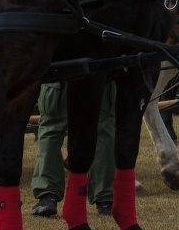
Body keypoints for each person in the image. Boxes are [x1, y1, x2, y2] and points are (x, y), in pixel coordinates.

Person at [30, 82, 117, 217]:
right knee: (102, 130)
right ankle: (104, 199)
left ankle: (48, 195)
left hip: (61, 75)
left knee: (52, 127)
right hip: (97, 73)